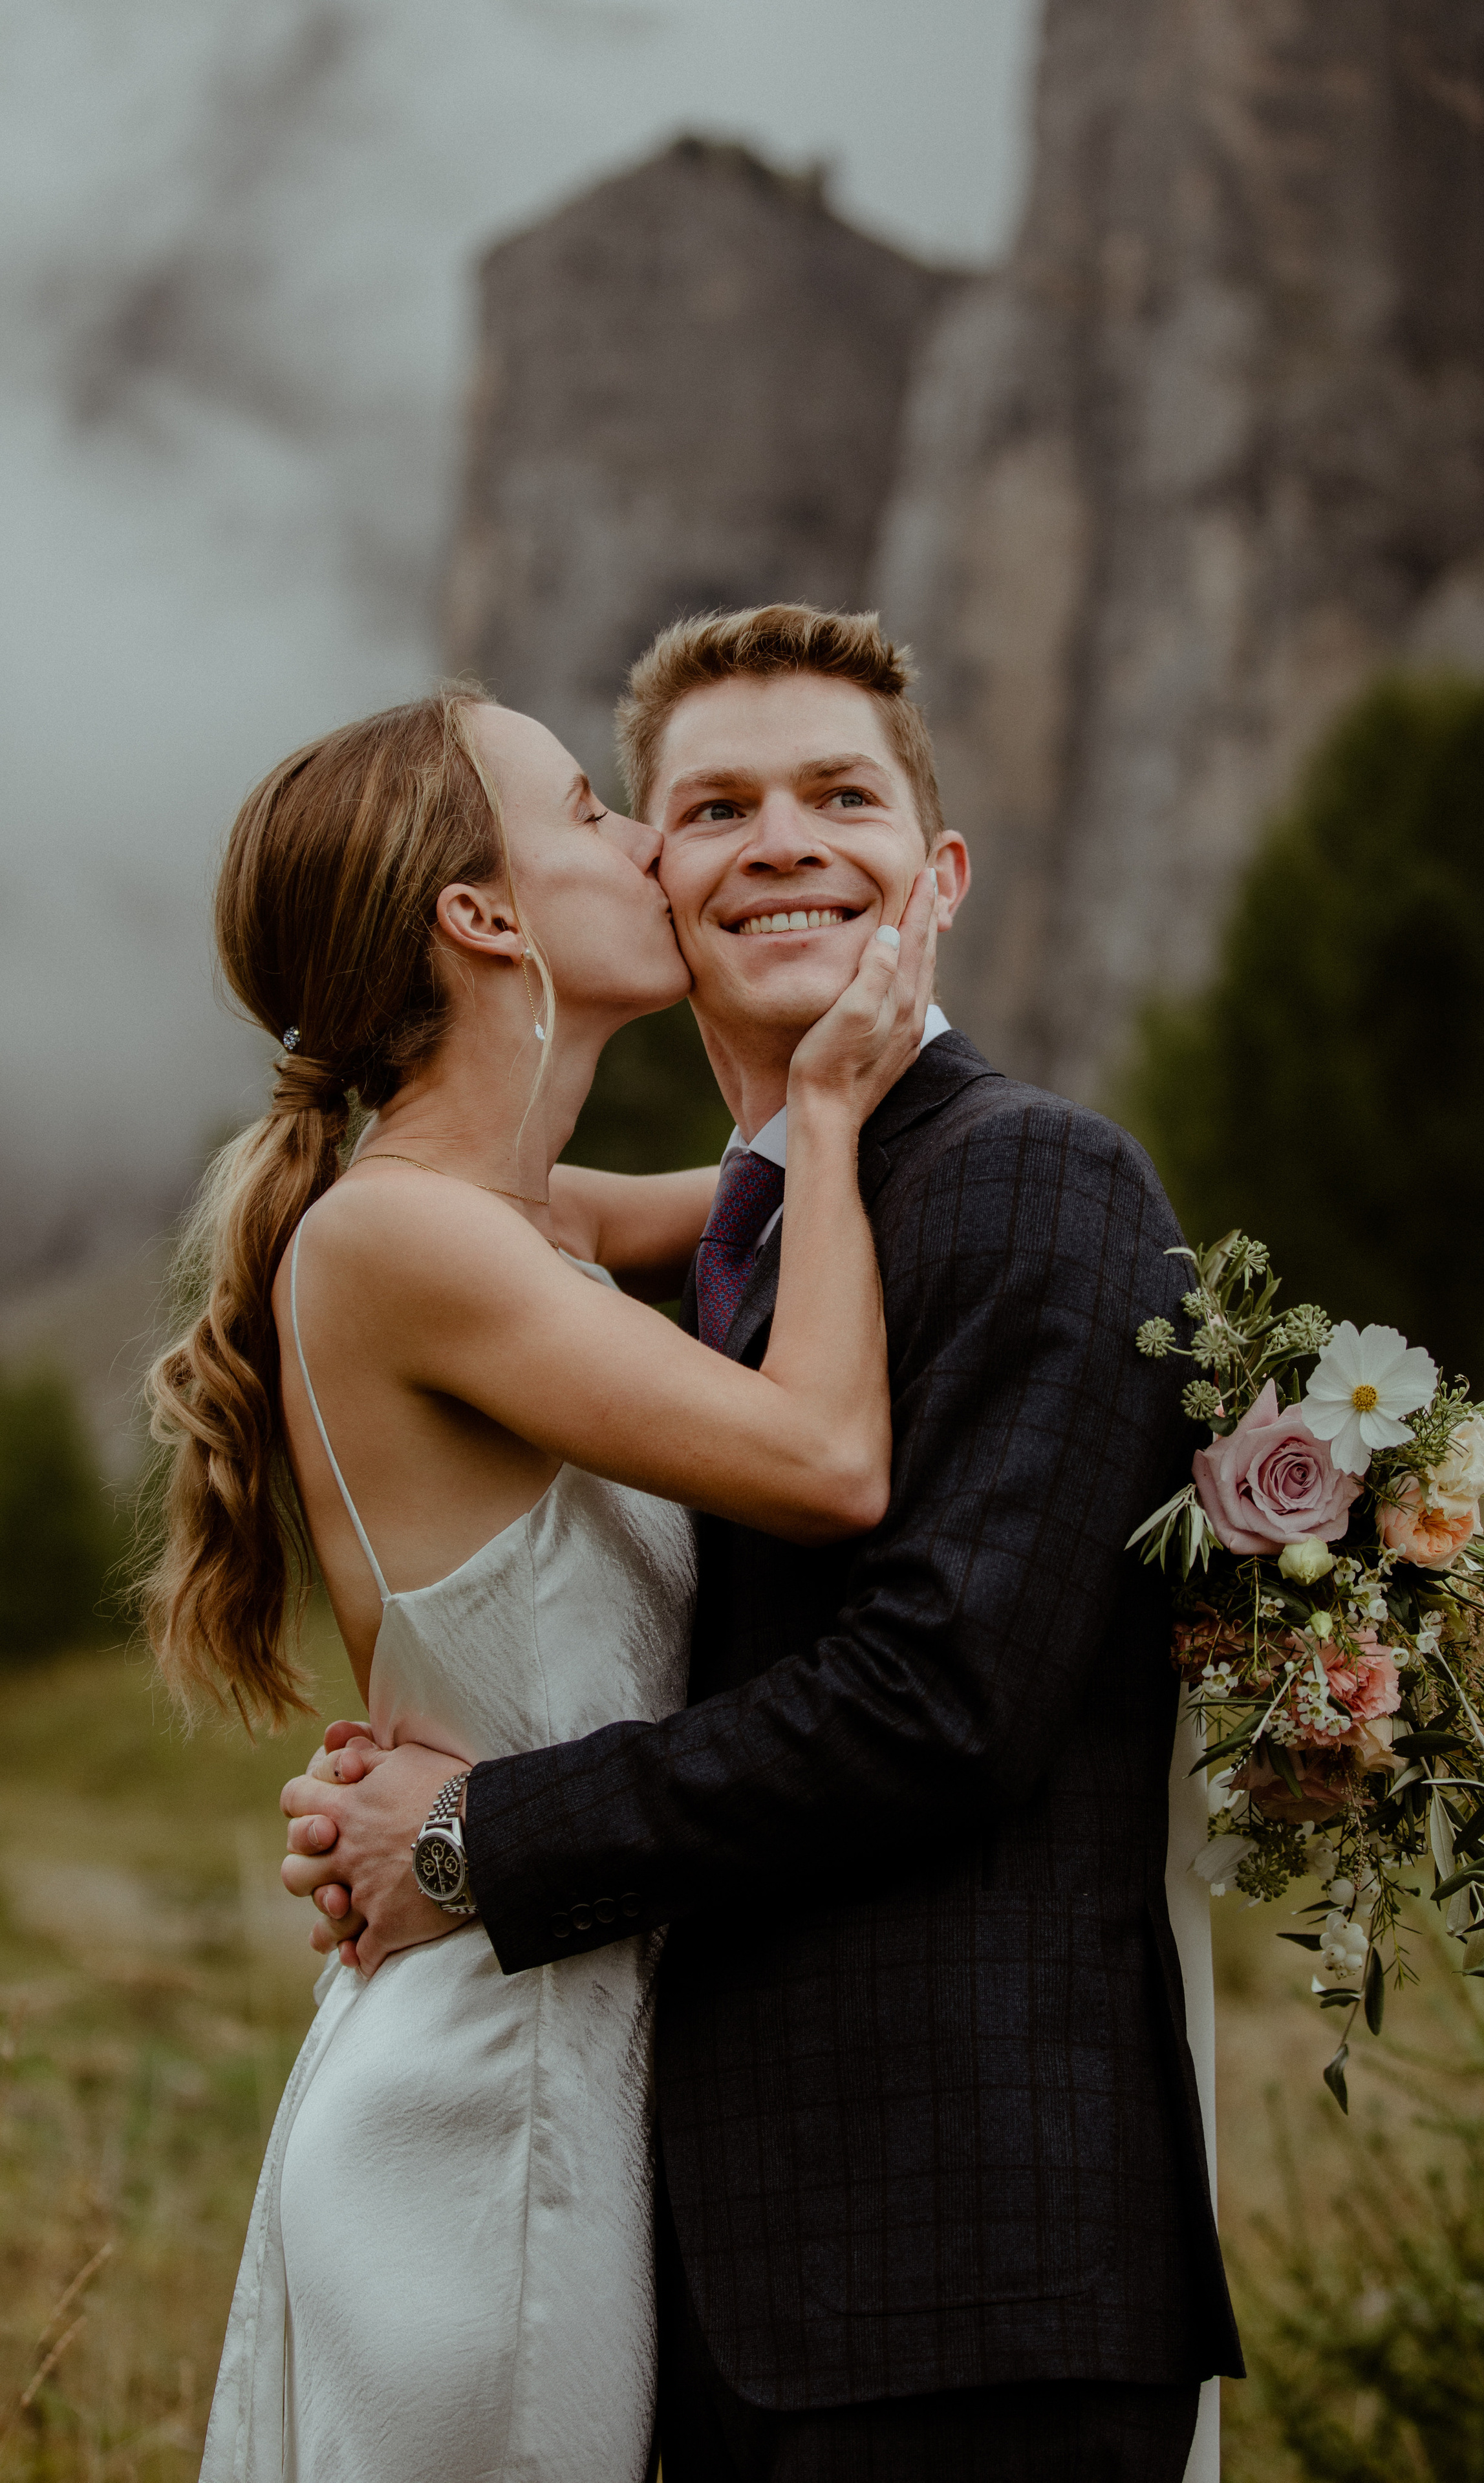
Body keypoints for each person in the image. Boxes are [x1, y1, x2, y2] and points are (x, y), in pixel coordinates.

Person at [283, 605, 1244, 2483]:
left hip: (961, 2277)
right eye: (709, 807)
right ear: (650, 871)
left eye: (842, 795)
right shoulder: (726, 1241)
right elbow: (485, 1214)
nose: (781, 840)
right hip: (697, 2276)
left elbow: (943, 1701)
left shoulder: (1034, 1175)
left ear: (938, 873)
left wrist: (479, 1834)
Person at [139, 680, 938, 2483]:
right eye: (593, 810)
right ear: (482, 918)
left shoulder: (518, 1222)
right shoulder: (406, 1237)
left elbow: (738, 1207)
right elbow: (825, 1460)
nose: (652, 844)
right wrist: (822, 1108)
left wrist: (827, 1020)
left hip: (566, 2058)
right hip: (489, 2116)